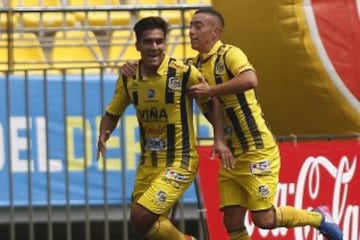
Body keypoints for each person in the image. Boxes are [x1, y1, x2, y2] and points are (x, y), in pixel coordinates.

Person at [120, 8, 343, 240]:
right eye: (190, 27)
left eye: (198, 26)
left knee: (264, 219)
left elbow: (250, 79)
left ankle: (318, 217)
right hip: (230, 153)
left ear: (215, 32)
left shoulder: (230, 54)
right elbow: (164, 70)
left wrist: (211, 89)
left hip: (256, 148)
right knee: (232, 219)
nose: (191, 32)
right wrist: (135, 66)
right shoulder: (192, 65)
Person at [97, 16, 233, 240]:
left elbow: (212, 101)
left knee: (141, 217)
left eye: (159, 41)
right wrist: (104, 133)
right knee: (147, 226)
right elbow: (113, 112)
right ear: (138, 45)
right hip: (148, 162)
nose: (154, 47)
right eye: (148, 42)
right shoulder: (129, 78)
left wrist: (219, 138)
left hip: (180, 160)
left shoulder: (182, 72)